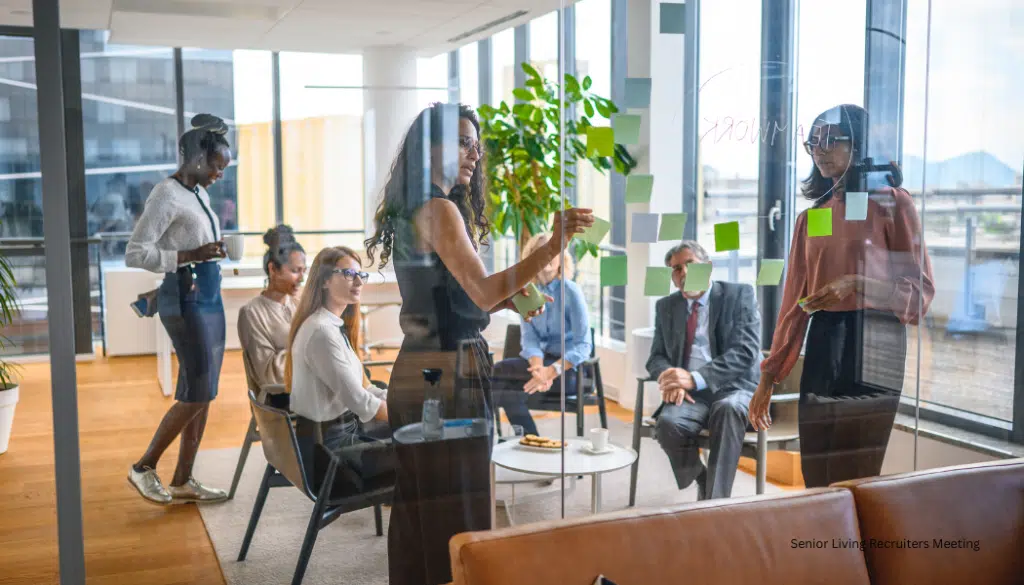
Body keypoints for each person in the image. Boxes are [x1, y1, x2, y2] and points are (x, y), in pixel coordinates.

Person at [364, 102, 593, 585]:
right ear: (432, 148)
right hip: (449, 375)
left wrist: (503, 304)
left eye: (476, 145)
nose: (474, 154)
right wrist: (553, 245)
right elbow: (483, 288)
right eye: (464, 143)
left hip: (419, 370)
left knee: (418, 504)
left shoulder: (413, 207)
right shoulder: (441, 209)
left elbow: (455, 298)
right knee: (458, 510)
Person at [748, 104, 934, 487]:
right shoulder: (811, 217)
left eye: (831, 140)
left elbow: (920, 295)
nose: (819, 150)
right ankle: (823, 545)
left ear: (860, 144)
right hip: (825, 338)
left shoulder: (892, 203)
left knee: (858, 471)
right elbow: (795, 304)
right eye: (812, 142)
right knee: (817, 465)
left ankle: (857, 546)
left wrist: (856, 283)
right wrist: (769, 377)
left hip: (877, 339)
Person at [125, 114, 232, 505]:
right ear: (198, 159)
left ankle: (184, 479)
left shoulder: (199, 194)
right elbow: (136, 253)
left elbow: (196, 247)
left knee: (206, 390)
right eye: (218, 166)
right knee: (196, 390)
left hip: (208, 293)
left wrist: (210, 252)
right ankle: (143, 467)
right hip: (185, 298)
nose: (221, 173)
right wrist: (192, 253)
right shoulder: (165, 194)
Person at [646, 241, 761, 500]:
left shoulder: (739, 295)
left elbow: (745, 351)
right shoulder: (666, 307)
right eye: (676, 269)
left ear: (708, 267)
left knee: (727, 408)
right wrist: (671, 378)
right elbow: (656, 357)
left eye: (690, 264)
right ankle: (704, 479)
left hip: (735, 387)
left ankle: (714, 505)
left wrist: (694, 378)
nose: (683, 272)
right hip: (690, 394)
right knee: (667, 425)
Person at [286, 246, 394, 498]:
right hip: (331, 457)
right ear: (324, 280)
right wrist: (408, 415)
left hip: (338, 438)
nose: (358, 281)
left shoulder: (330, 326)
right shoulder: (322, 332)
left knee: (420, 436)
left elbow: (364, 388)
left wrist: (395, 399)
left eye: (361, 275)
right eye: (348, 274)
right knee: (424, 448)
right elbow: (360, 401)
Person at [492, 231, 592, 436]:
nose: (546, 257)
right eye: (540, 252)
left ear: (561, 259)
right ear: (531, 259)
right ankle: (530, 439)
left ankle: (526, 439)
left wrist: (551, 371)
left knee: (509, 392)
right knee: (496, 372)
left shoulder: (571, 291)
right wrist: (539, 370)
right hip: (539, 364)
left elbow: (584, 345)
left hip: (568, 370)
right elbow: (530, 339)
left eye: (551, 252)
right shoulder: (525, 292)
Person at [237, 225, 306, 403]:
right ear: (273, 269)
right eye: (295, 271)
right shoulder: (252, 314)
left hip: (307, 390)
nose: (302, 278)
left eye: (303, 271)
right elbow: (268, 375)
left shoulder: (298, 304)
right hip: (281, 401)